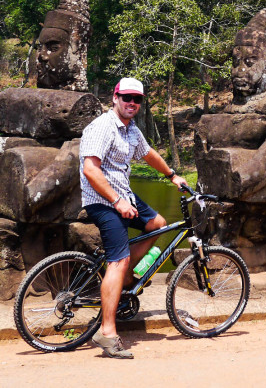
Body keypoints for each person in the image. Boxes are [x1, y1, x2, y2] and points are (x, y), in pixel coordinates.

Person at [79, 76, 188, 359]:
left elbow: (148, 154)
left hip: (123, 196)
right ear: (114, 97)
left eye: (137, 99)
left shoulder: (131, 129)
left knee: (158, 224)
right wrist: (116, 201)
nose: (131, 103)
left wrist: (172, 175)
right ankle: (107, 333)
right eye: (126, 97)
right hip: (103, 201)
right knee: (119, 259)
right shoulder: (103, 127)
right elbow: (91, 170)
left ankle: (125, 283)